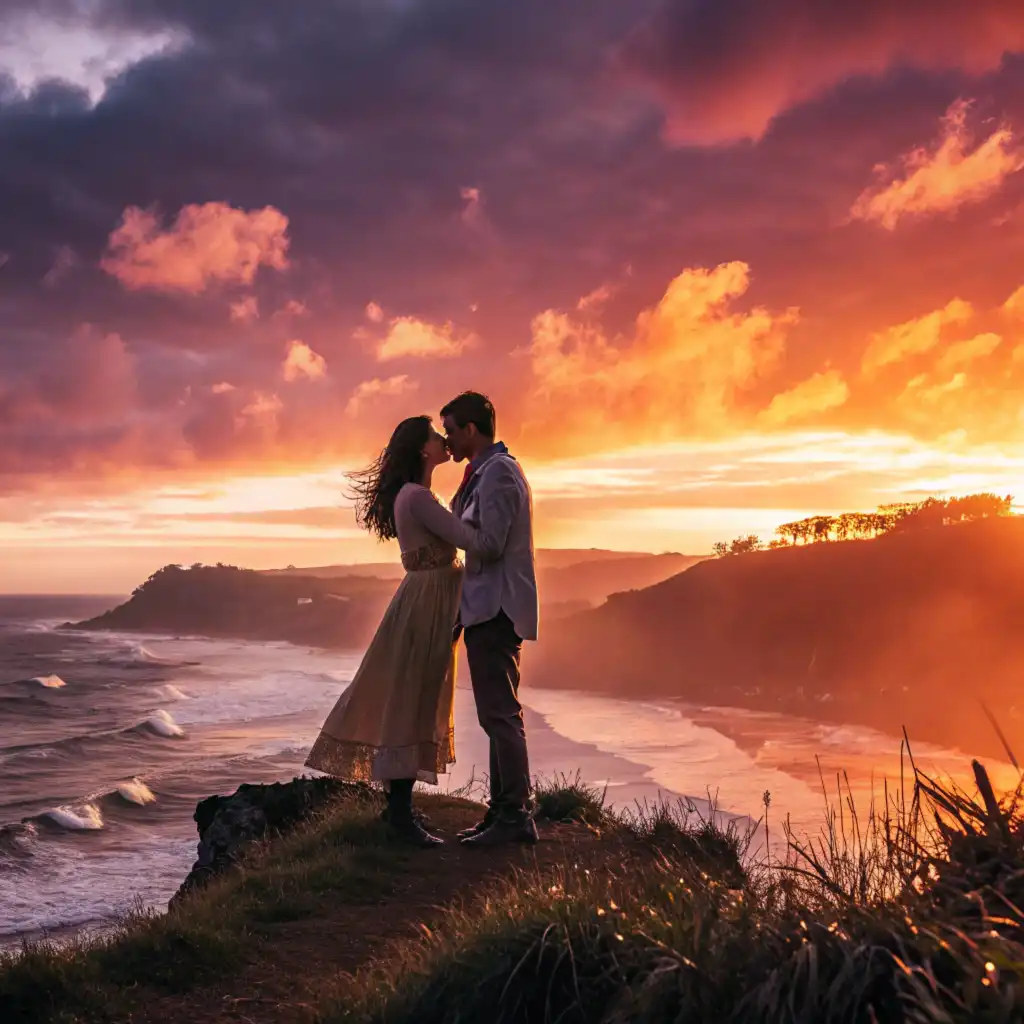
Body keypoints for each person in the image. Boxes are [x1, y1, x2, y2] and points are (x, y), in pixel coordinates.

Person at [305, 415, 495, 847]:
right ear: (422, 450)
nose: (443, 440)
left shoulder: (415, 495)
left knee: (413, 696)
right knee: (414, 699)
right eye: (434, 436)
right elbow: (468, 537)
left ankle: (398, 810)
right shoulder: (418, 498)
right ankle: (400, 815)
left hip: (424, 602)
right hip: (426, 605)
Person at [441, 391, 540, 847]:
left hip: (495, 607)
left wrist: (445, 528)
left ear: (471, 430)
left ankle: (514, 816)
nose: (447, 439)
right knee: (497, 714)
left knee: (499, 715)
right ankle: (504, 812)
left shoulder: (498, 473)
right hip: (487, 606)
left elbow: (490, 543)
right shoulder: (485, 472)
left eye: (451, 430)